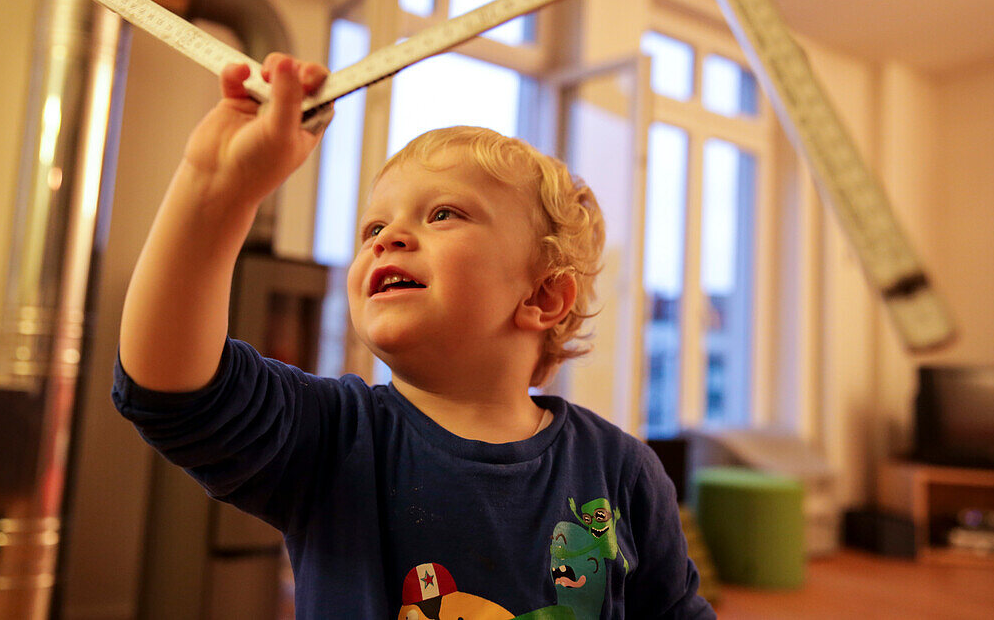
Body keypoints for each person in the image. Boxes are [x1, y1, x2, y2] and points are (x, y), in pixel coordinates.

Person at [113, 53, 714, 619]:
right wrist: (214, 189)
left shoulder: (622, 472)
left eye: (443, 214)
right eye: (374, 225)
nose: (387, 237)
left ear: (540, 298)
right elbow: (175, 392)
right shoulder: (335, 436)